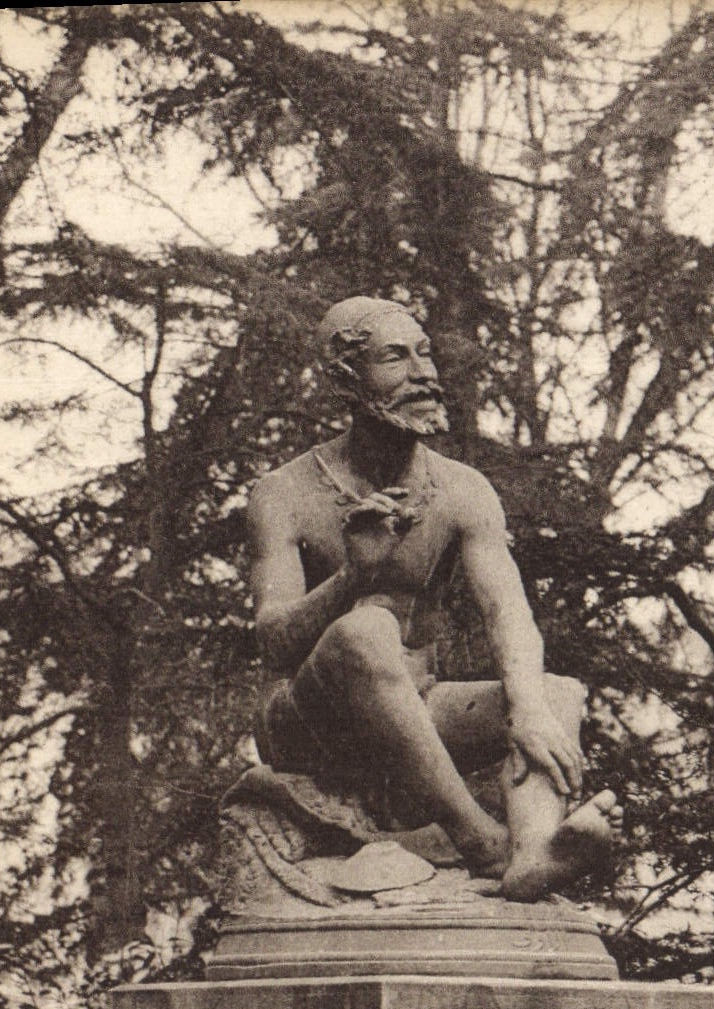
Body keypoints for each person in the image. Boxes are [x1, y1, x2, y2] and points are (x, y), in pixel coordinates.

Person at [246, 295, 621, 901]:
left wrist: (525, 709)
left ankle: (531, 853)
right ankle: (481, 841)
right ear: (346, 380)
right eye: (395, 358)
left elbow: (510, 615)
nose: (424, 373)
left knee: (554, 692)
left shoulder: (461, 490)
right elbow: (272, 643)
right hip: (312, 723)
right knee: (367, 628)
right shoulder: (283, 493)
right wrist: (352, 577)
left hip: (416, 704)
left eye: (425, 354)